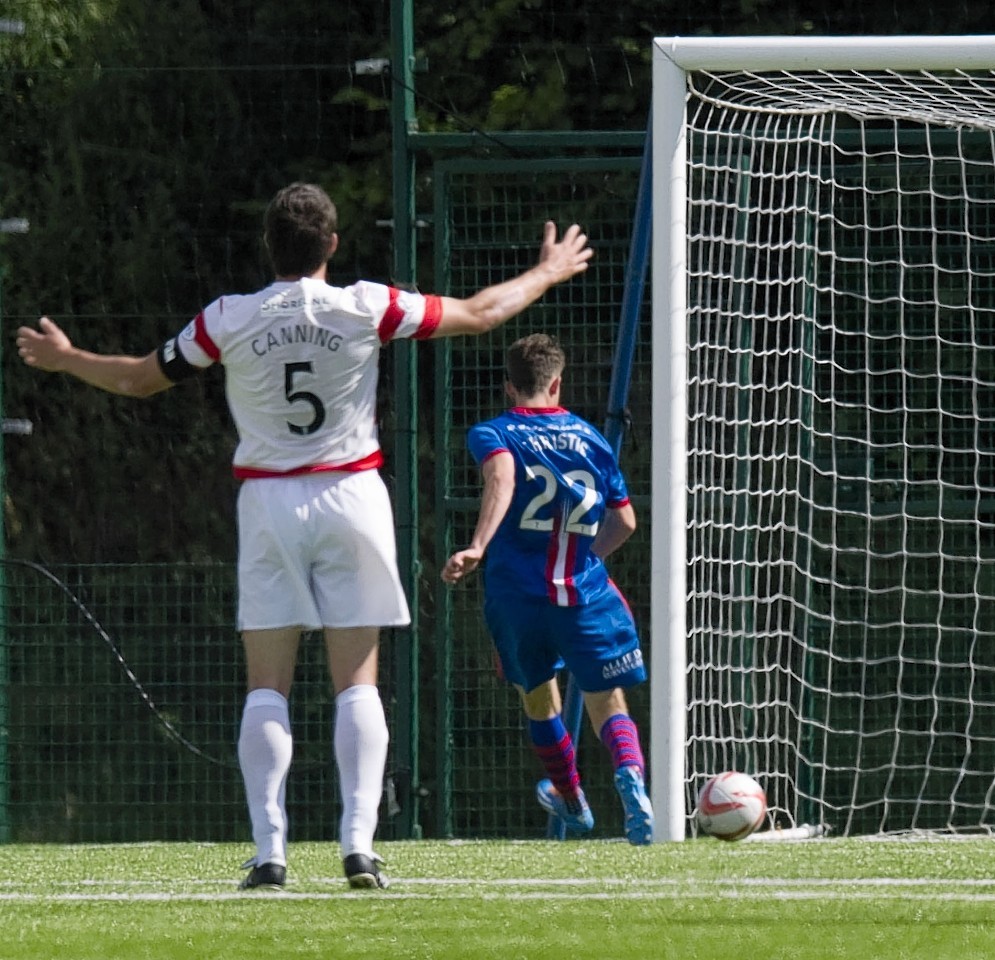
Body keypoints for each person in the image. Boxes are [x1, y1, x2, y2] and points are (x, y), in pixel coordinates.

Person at [14, 183, 593, 890]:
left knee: (268, 685)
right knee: (357, 681)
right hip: (352, 496)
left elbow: (140, 380)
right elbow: (477, 315)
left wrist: (68, 356)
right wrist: (549, 270)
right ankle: (358, 846)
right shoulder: (363, 304)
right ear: (333, 245)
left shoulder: (229, 317)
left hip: (268, 503)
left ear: (269, 246)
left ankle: (269, 853)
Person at [439, 333, 653, 844]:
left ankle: (572, 797)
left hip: (517, 595)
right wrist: (582, 559)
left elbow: (502, 480)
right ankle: (629, 775)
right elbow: (624, 521)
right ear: (557, 382)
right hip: (583, 593)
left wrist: (477, 545)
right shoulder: (593, 438)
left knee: (537, 698)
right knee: (606, 697)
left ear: (509, 386)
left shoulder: (494, 432)